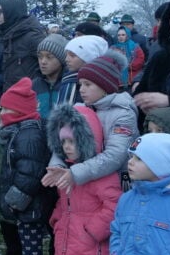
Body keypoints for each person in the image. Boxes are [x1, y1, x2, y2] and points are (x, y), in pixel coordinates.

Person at [46, 104, 122, 255]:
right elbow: (64, 203)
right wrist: (57, 221)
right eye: (63, 141)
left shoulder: (101, 176)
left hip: (93, 246)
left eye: (73, 141)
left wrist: (92, 231)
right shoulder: (69, 173)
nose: (67, 146)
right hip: (74, 243)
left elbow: (114, 206)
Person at [0, 77, 55, 255]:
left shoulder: (29, 136)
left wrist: (14, 202)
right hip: (25, 209)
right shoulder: (20, 132)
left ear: (18, 112)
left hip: (30, 209)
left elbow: (30, 175)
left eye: (5, 109)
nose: (1, 114)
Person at [44, 51, 139, 194]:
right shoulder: (81, 109)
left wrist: (75, 173)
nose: (81, 90)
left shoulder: (123, 114)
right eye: (80, 84)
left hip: (115, 183)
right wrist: (58, 165)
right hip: (85, 180)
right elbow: (63, 140)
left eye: (88, 85)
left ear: (105, 86)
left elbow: (115, 155)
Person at [0, 0, 47, 92]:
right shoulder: (7, 35)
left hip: (28, 97)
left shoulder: (32, 36)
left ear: (12, 12)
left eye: (1, 12)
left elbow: (51, 65)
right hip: (10, 96)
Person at [59, 34, 109, 106]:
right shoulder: (67, 79)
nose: (66, 59)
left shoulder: (94, 85)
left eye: (72, 55)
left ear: (88, 58)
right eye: (66, 55)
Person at [32, 33, 69, 118]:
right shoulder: (33, 85)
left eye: (49, 57)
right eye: (40, 57)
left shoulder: (69, 86)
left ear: (61, 59)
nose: (43, 61)